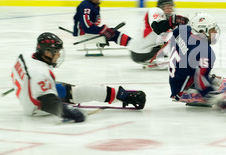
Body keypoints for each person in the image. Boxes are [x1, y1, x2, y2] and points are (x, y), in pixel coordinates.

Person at [10, 32, 146, 123]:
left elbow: (20, 74)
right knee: (78, 91)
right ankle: (121, 95)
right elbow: (46, 102)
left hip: (30, 93)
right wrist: (67, 112)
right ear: (46, 51)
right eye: (56, 52)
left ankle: (117, 94)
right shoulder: (41, 74)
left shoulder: (27, 55)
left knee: (63, 88)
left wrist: (26, 84)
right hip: (37, 110)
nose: (58, 55)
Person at [168, 12, 226, 110]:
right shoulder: (205, 51)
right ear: (202, 31)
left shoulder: (184, 30)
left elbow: (175, 32)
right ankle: (190, 95)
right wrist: (216, 99)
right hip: (182, 91)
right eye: (212, 29)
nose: (215, 32)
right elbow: (200, 80)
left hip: (176, 81)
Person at [128, 0, 189, 68]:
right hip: (141, 52)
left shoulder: (167, 19)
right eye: (168, 7)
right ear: (161, 7)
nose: (170, 10)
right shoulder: (155, 10)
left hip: (142, 51)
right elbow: (158, 28)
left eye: (171, 8)